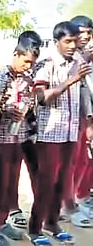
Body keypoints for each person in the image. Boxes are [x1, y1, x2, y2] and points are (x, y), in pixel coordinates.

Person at [29, 21, 92, 245]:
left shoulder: (79, 62)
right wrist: (71, 80)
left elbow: (84, 94)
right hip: (49, 133)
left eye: (75, 41)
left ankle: (52, 223)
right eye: (67, 41)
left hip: (70, 132)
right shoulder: (47, 64)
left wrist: (89, 121)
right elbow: (40, 98)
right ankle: (35, 228)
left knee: (62, 181)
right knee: (46, 182)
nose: (72, 45)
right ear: (56, 42)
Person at [0, 37, 40, 245]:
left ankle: (2, 221)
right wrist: (8, 110)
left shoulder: (28, 80)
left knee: (12, 182)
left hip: (19, 136)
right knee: (1, 182)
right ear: (16, 55)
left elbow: (30, 103)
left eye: (32, 63)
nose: (28, 66)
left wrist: (24, 111)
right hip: (1, 138)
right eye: (26, 61)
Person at [6, 31, 43, 229]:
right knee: (12, 172)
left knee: (37, 169)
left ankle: (41, 208)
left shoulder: (38, 70)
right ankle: (13, 209)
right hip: (11, 132)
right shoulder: (7, 74)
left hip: (32, 130)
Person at [67, 15, 93, 219]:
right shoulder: (71, 58)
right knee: (74, 162)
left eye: (89, 32)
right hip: (73, 119)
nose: (85, 36)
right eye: (81, 32)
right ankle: (70, 204)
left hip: (87, 118)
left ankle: (82, 198)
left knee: (85, 161)